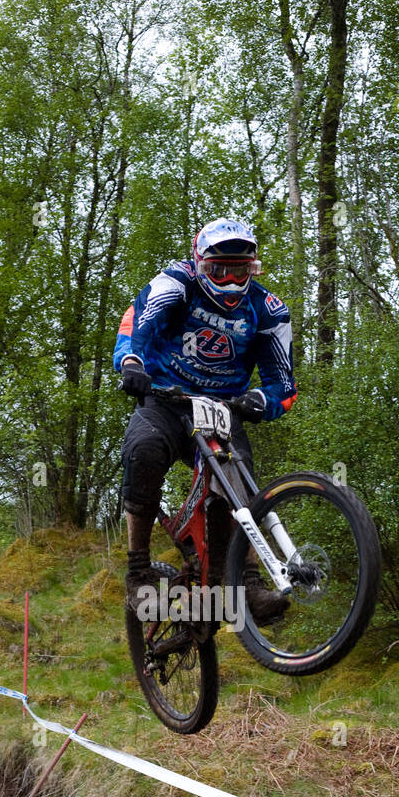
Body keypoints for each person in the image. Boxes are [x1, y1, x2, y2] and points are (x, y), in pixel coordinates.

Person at [114, 217, 297, 622]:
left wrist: (261, 401)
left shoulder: (268, 311)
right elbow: (137, 323)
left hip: (222, 407)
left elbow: (283, 385)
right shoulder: (175, 283)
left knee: (236, 483)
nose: (231, 282)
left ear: (254, 269)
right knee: (143, 450)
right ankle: (137, 569)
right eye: (219, 271)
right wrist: (131, 362)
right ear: (199, 264)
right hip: (166, 398)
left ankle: (244, 584)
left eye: (241, 271)